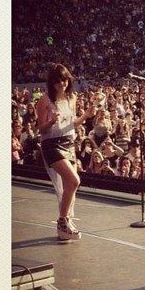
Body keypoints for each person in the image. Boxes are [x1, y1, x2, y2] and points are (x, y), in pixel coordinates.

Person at [36, 63, 96, 241]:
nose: (61, 84)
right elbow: (41, 129)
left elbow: (72, 124)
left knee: (69, 187)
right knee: (73, 180)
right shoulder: (44, 101)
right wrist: (51, 122)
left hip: (69, 143)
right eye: (57, 81)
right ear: (51, 83)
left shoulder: (72, 98)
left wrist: (86, 116)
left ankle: (66, 223)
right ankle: (62, 221)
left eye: (63, 80)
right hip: (51, 144)